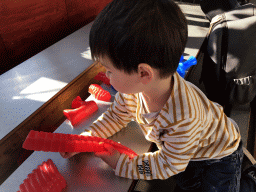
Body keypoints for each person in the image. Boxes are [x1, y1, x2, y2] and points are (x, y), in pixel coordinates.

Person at [60, 0, 243, 191]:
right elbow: (116, 116)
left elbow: (168, 164)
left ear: (144, 74)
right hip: (183, 150)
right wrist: (88, 138)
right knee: (188, 183)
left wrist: (121, 164)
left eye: (109, 70)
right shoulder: (132, 93)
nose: (106, 75)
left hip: (218, 156)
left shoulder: (183, 116)